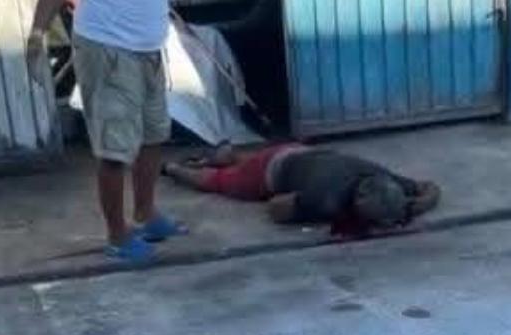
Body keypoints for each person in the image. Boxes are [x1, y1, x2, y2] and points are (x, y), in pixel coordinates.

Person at [28, 0, 186, 261]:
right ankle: (117, 236)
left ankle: (146, 214)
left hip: (150, 48)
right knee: (114, 149)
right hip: (107, 47)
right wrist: (37, 33)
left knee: (153, 134)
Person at [163, 144, 441, 238]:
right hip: (271, 170)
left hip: (304, 152)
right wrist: (304, 210)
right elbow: (276, 207)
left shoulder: (384, 178)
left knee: (249, 162)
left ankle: (228, 154)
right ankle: (174, 169)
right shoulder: (325, 199)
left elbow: (431, 188)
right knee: (220, 182)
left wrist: (420, 204)